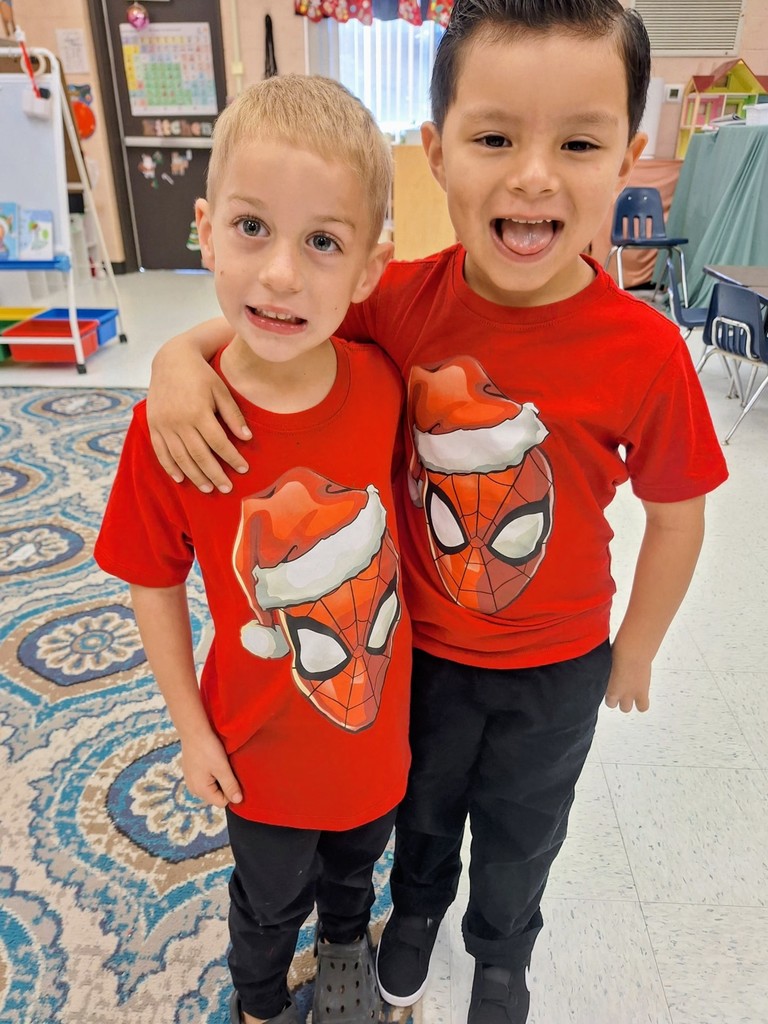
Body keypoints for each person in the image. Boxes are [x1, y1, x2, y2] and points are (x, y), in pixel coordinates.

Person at [143, 3, 730, 1022]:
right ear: (439, 151)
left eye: (578, 143)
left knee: (524, 828)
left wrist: (636, 649)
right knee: (420, 815)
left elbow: (679, 512)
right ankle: (412, 918)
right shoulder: (399, 300)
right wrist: (175, 359)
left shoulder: (646, 350)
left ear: (628, 157)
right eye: (495, 137)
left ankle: (503, 952)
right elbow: (282, 318)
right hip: (419, 651)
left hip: (561, 665)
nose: (533, 176)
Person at [94, 75, 413, 1024]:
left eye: (322, 242)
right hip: (258, 755)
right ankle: (262, 999)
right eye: (251, 227)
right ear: (205, 229)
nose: (280, 274)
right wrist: (191, 730)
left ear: (369, 269)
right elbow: (152, 583)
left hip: (375, 736)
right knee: (269, 900)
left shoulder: (383, 382)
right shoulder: (173, 427)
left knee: (355, 871)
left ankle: (346, 946)